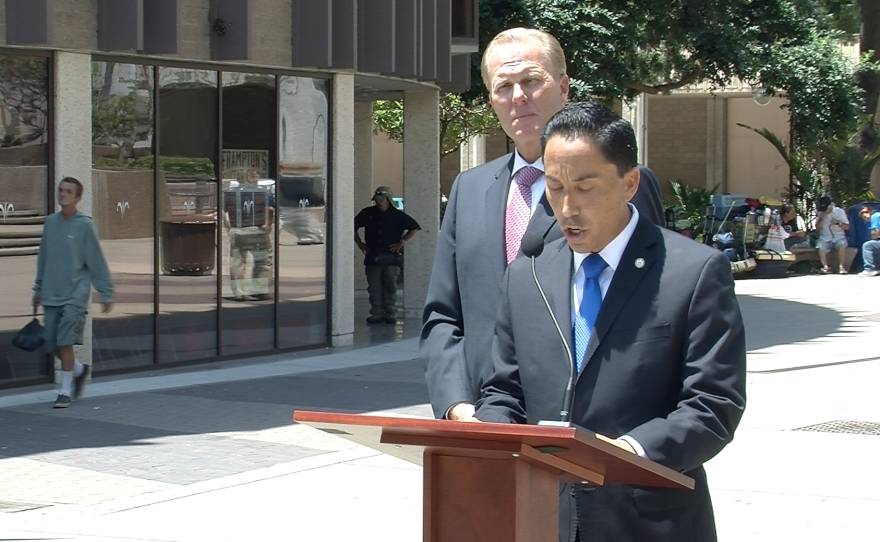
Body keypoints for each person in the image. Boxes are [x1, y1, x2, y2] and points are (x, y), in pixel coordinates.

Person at [468, 103, 746, 542]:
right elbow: (504, 389)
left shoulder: (693, 272)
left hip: (648, 520)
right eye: (555, 187)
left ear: (629, 183)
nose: (567, 207)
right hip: (541, 516)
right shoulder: (527, 275)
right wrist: (490, 438)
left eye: (584, 188)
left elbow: (712, 405)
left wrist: (625, 453)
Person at [422, 27, 666, 422]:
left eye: (532, 81)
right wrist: (456, 405)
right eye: (504, 87)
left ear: (563, 87)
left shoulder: (620, 183)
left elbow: (653, 305)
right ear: (492, 100)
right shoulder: (469, 188)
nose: (518, 97)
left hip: (586, 422)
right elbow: (443, 315)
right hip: (485, 418)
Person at [33, 177, 115, 408]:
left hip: (75, 295)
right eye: (61, 190)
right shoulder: (51, 223)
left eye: (69, 191)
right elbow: (43, 258)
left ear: (78, 198)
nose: (63, 194)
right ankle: (79, 370)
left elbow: (96, 261)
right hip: (51, 293)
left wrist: (106, 293)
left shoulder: (84, 225)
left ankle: (64, 392)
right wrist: (38, 289)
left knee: (65, 341)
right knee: (52, 345)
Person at [354, 186, 420, 324]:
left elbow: (414, 227)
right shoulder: (367, 213)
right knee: (374, 288)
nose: (378, 203)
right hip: (372, 256)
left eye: (381, 200)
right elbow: (352, 226)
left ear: (388, 199)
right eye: (377, 200)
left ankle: (390, 313)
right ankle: (376, 314)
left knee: (390, 287)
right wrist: (360, 244)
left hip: (391, 257)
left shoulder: (398, 215)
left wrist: (401, 242)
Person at [224, 169, 274, 301]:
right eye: (256, 176)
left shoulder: (230, 193)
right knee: (262, 261)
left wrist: (228, 227)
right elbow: (270, 210)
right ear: (253, 179)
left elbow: (224, 213)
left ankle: (238, 292)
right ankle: (259, 290)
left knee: (237, 262)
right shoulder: (264, 193)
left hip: (237, 229)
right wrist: (268, 225)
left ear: (239, 179)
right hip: (257, 229)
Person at [815, 196, 850, 274]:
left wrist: (839, 223)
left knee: (841, 244)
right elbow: (817, 229)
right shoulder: (821, 213)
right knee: (820, 245)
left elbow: (847, 227)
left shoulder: (840, 212)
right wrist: (822, 218)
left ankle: (842, 267)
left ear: (830, 205)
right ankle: (825, 267)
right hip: (825, 237)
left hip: (838, 236)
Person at [858, 206, 880, 277]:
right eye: (863, 218)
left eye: (865, 216)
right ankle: (877, 268)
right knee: (875, 247)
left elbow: (875, 232)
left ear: (870, 212)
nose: (866, 219)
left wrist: (873, 238)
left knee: (867, 246)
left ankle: (869, 269)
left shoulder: (875, 216)